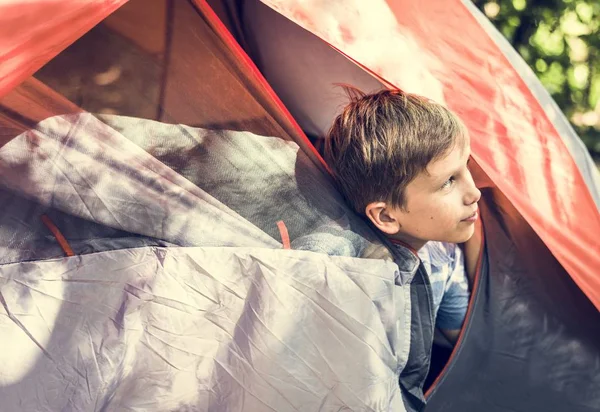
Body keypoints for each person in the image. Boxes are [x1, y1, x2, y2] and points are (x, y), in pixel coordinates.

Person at [324, 87, 482, 343]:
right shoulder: (352, 275)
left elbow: (463, 344)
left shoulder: (443, 255)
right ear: (386, 216)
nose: (474, 192)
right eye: (448, 182)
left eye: (467, 166)